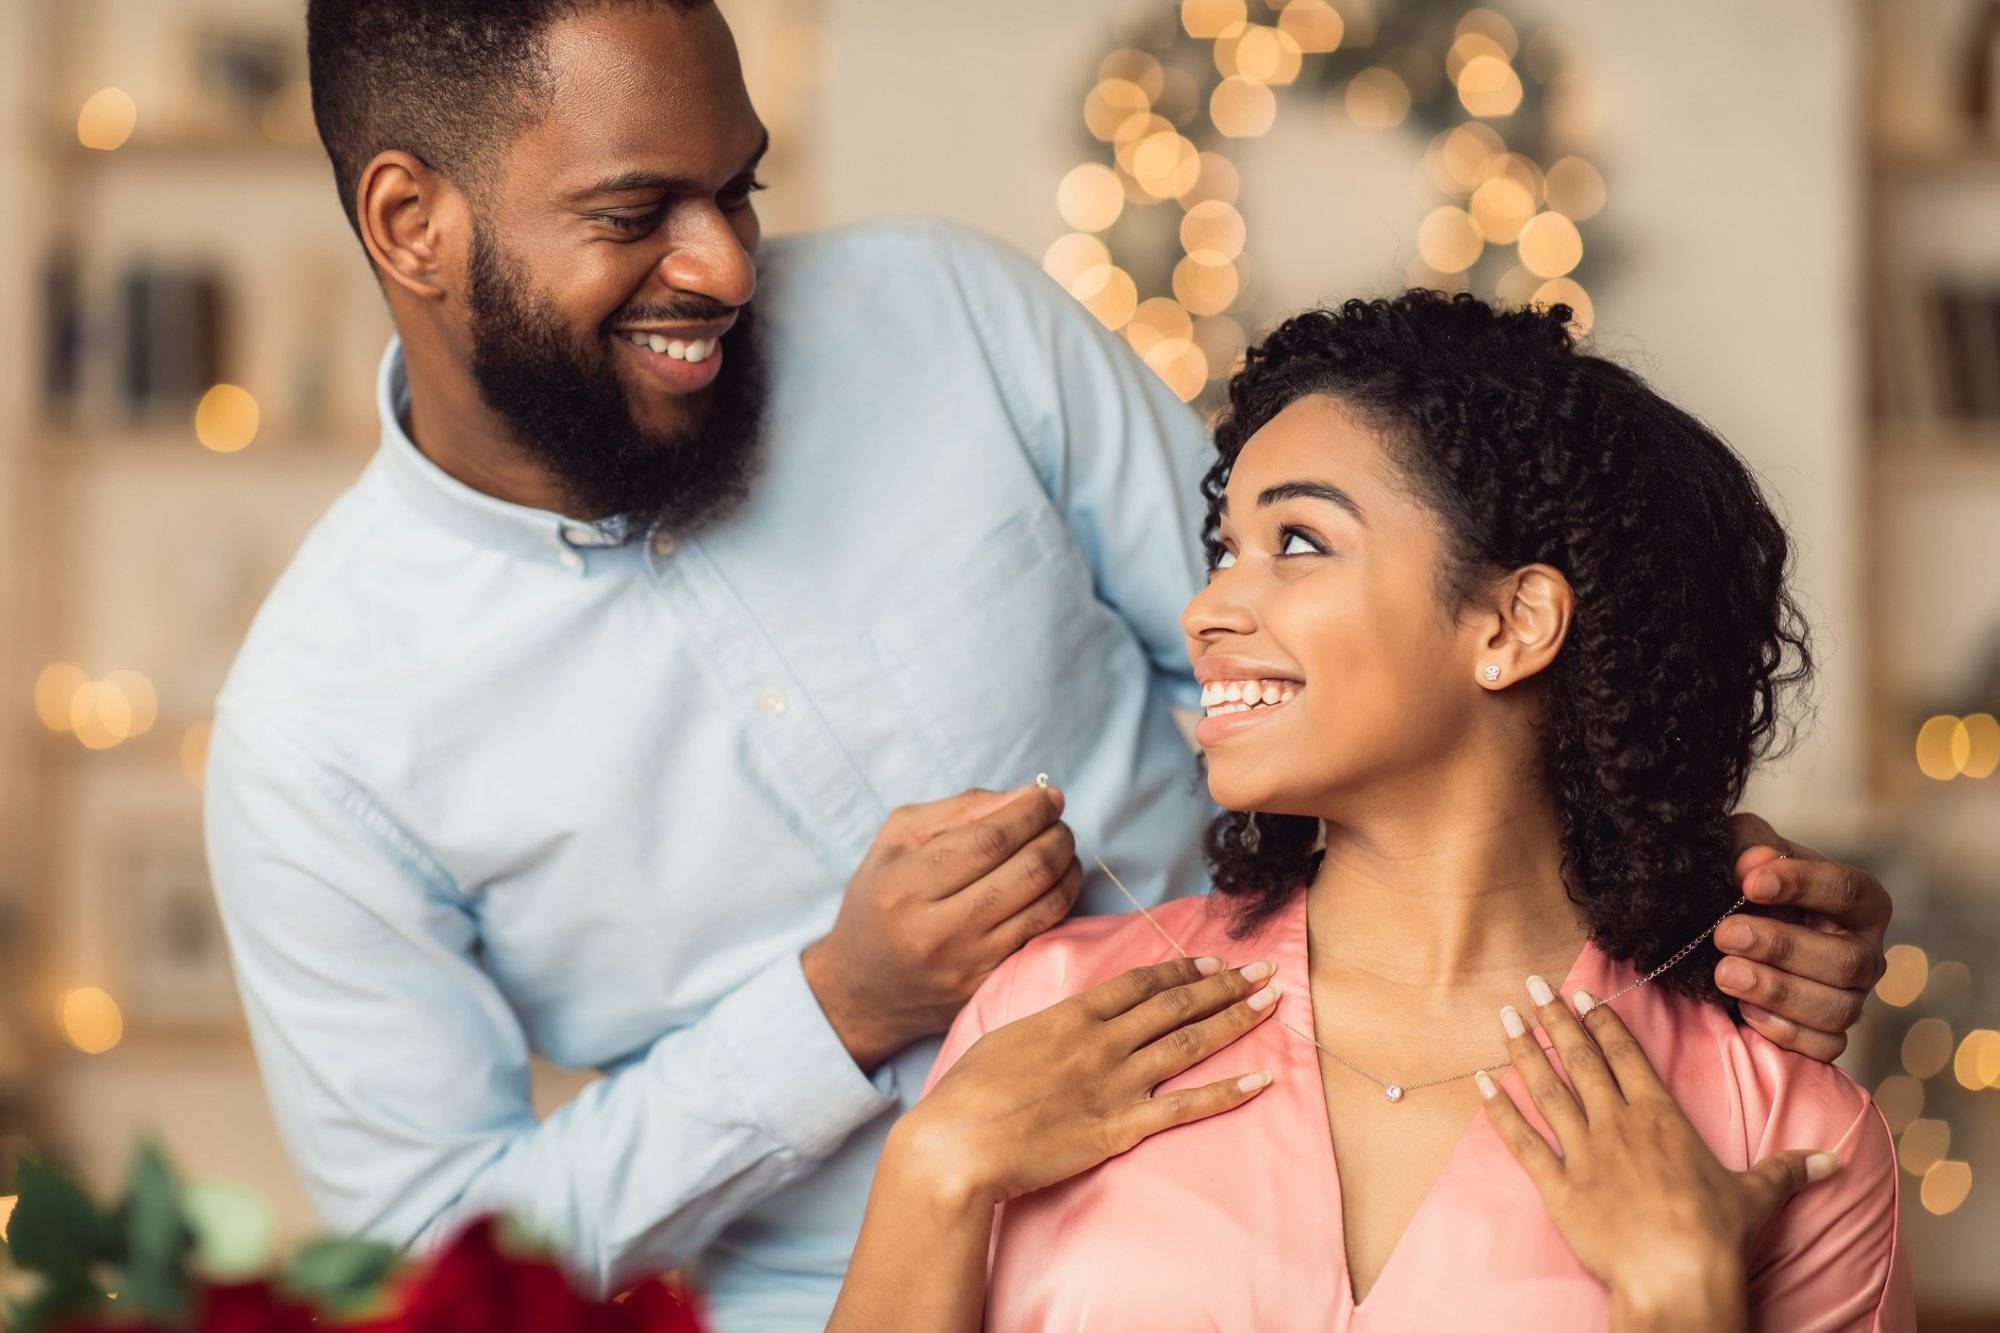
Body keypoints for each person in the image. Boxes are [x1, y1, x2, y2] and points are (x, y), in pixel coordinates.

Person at [203, 2, 1892, 1327]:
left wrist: (1691, 885)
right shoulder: (318, 736)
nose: (722, 265)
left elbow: (1345, 660)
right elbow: (422, 1267)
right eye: (638, 212)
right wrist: (836, 1015)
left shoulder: (942, 319)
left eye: (741, 188)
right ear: (412, 221)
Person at [835, 293, 1912, 1331]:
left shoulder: (1777, 1125)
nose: (1206, 609)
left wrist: (1681, 1296)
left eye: (1296, 541)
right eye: (1222, 550)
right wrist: (934, 1168)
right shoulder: (1045, 1020)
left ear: (1510, 622)